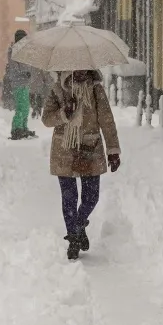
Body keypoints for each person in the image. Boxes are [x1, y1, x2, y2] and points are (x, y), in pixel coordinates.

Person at [41, 68, 121, 260]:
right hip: (64, 150)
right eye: (77, 67)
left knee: (91, 197)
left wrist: (113, 150)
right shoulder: (59, 89)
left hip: (90, 147)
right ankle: (74, 239)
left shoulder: (96, 89)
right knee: (69, 198)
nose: (81, 71)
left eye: (85, 67)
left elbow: (107, 120)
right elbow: (46, 119)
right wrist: (63, 113)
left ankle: (78, 224)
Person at [3, 31, 37, 139]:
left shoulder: (23, 51)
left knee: (26, 107)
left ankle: (23, 127)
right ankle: (16, 129)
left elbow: (27, 65)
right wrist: (25, 72)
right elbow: (16, 67)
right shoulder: (14, 51)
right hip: (18, 83)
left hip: (25, 83)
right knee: (21, 107)